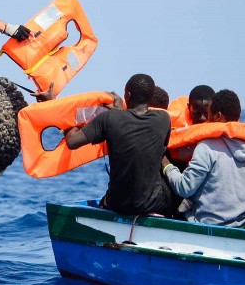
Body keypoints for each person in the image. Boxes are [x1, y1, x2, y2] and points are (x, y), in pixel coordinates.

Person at [64, 74, 171, 216]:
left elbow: (72, 141)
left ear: (127, 94)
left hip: (118, 204)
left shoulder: (109, 119)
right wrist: (120, 113)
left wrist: (65, 119)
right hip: (152, 204)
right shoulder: (163, 120)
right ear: (151, 97)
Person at [162, 89, 245, 227]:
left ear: (217, 116)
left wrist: (167, 165)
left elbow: (184, 188)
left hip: (204, 224)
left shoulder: (206, 147)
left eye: (208, 114)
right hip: (240, 225)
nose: (204, 120)